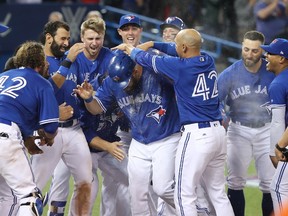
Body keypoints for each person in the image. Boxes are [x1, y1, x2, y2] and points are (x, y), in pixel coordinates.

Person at [111, 28, 234, 215]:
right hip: (218, 133)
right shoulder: (207, 60)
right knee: (218, 194)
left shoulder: (180, 67)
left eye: (177, 45)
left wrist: (130, 49)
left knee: (184, 195)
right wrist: (152, 44)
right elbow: (173, 49)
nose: (174, 47)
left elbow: (146, 60)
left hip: (197, 135)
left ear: (184, 47)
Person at [74, 14, 182, 216]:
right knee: (134, 190)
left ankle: (192, 210)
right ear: (120, 32)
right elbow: (98, 106)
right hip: (131, 133)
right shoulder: (114, 69)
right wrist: (89, 98)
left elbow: (183, 69)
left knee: (162, 187)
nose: (130, 33)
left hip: (165, 133)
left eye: (135, 28)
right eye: (126, 29)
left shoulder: (156, 61)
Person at [45, 17, 132, 216]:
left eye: (98, 38)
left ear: (103, 38)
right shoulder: (70, 58)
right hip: (74, 128)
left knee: (133, 180)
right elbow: (51, 87)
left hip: (106, 129)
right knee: (58, 182)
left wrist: (131, 47)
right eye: (90, 38)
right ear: (82, 38)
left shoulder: (111, 57)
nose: (94, 43)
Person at [30, 20, 93, 216]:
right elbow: (44, 90)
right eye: (62, 38)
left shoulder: (72, 60)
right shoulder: (37, 62)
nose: (66, 43)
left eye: (68, 38)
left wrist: (86, 94)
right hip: (48, 131)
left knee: (85, 181)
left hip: (74, 129)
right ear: (49, 38)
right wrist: (67, 62)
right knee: (35, 185)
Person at [217, 30, 275, 216]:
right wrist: (220, 117)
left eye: (255, 51)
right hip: (239, 130)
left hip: (268, 129)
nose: (249, 54)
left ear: (263, 51)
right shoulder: (230, 74)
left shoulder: (272, 70)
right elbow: (215, 101)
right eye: (246, 49)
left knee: (269, 183)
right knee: (235, 181)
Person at [0, 40, 59, 216]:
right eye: (46, 60)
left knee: (5, 194)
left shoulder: (3, 76)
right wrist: (47, 135)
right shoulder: (41, 83)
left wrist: (27, 136)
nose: (48, 63)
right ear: (40, 63)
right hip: (5, 135)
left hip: (7, 132)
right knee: (30, 197)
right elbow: (51, 127)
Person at [260, 38, 288, 215]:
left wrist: (275, 150)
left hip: (285, 142)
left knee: (277, 188)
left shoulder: (278, 84)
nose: (266, 56)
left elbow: (278, 122)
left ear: (282, 59)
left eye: (270, 53)